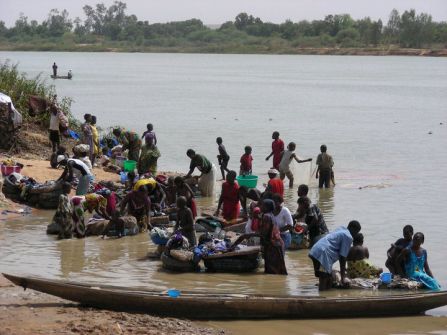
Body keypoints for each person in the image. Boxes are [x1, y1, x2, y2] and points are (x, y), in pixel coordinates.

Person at [230, 199, 287, 275]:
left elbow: (263, 234)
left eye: (262, 205)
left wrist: (247, 235)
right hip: (276, 244)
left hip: (273, 246)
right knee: (277, 271)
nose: (260, 207)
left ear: (266, 207)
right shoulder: (270, 215)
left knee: (273, 271)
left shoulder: (266, 216)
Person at [309, 220, 361, 291]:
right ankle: (322, 298)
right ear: (352, 229)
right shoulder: (348, 236)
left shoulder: (341, 229)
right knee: (324, 278)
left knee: (328, 277)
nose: (355, 235)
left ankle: (327, 296)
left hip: (315, 250)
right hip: (323, 254)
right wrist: (343, 277)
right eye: (356, 232)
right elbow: (342, 257)